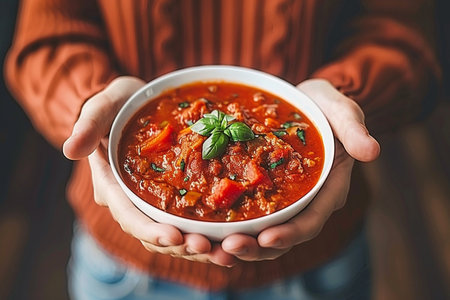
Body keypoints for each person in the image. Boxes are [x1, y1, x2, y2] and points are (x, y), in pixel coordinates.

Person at [4, 0, 440, 299]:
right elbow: (44, 40)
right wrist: (93, 108)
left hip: (319, 262)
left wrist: (349, 98)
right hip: (125, 265)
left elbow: (405, 36)